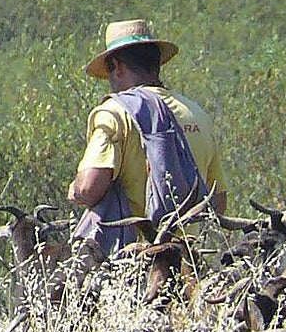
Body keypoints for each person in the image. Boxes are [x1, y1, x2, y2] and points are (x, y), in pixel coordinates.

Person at [68, 19, 226, 255]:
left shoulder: (114, 113)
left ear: (118, 67)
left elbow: (90, 188)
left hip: (132, 261)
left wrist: (75, 190)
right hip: (187, 260)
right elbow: (218, 202)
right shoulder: (196, 113)